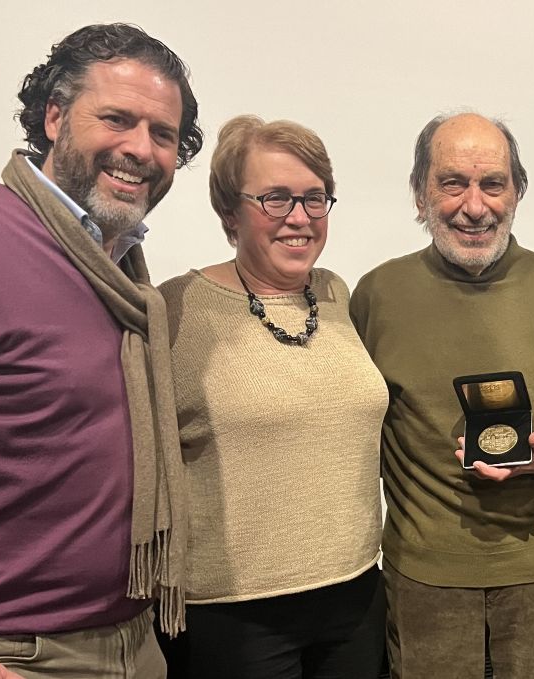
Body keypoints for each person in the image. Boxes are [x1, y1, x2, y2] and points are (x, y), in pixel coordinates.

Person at [0, 23, 202, 679]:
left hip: (136, 642)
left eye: (163, 134)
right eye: (117, 119)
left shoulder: (128, 276)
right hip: (13, 654)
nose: (140, 149)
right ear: (55, 117)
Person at [349, 112, 534, 678]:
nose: (474, 205)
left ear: (518, 191)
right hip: (424, 577)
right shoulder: (377, 295)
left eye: (493, 183)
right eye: (452, 182)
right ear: (420, 193)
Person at [158, 115, 388, 679]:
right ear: (229, 212)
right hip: (233, 614)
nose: (299, 218)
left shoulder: (335, 292)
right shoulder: (174, 309)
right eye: (275, 198)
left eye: (315, 199)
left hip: (356, 593)